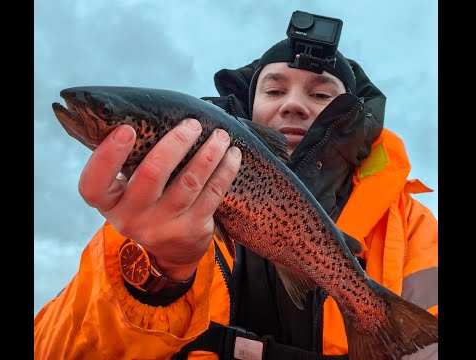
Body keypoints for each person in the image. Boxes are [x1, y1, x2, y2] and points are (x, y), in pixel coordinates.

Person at [34, 10, 438, 360]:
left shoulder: (414, 227)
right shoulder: (140, 213)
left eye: (321, 94)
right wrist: (155, 273)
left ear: (351, 115)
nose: (293, 104)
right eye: (275, 89)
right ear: (250, 104)